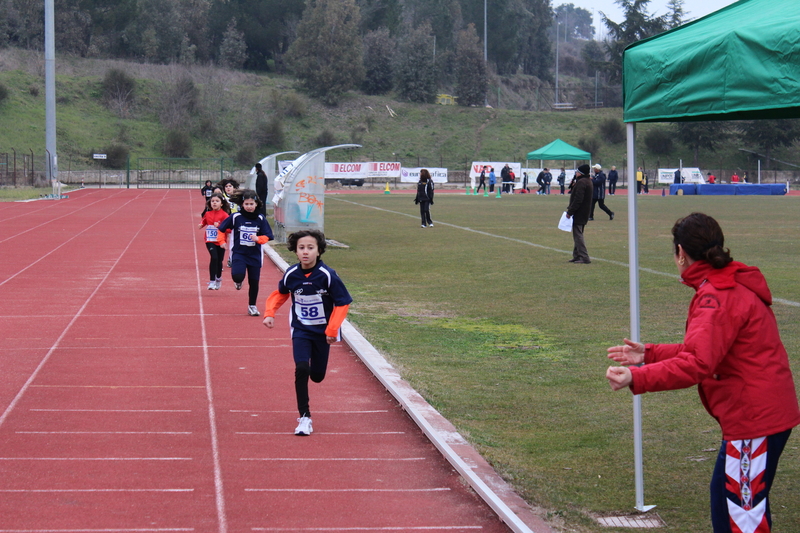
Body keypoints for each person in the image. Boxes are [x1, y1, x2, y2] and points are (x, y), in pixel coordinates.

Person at [605, 213, 800, 533]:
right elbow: (708, 350)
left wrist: (637, 376)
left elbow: (698, 364)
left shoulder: (716, 296)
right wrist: (649, 354)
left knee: (741, 517)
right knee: (735, 506)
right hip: (762, 415)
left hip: (755, 419)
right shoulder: (729, 283)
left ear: (681, 253)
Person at [263, 229, 353, 436]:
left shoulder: (328, 276)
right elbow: (280, 294)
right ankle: (304, 417)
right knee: (302, 367)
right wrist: (270, 313)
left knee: (318, 376)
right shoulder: (291, 274)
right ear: (295, 251)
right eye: (301, 248)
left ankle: (315, 373)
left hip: (323, 333)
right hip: (301, 329)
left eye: (310, 248)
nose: (305, 252)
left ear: (319, 251)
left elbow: (342, 303)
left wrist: (332, 330)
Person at [217, 189, 274, 316]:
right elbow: (221, 229)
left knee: (254, 282)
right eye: (246, 204)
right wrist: (222, 242)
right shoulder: (236, 217)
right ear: (242, 204)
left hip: (254, 255)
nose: (249, 207)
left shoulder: (260, 218)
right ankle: (238, 280)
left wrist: (259, 239)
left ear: (256, 204)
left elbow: (269, 236)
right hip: (239, 253)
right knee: (237, 276)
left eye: (251, 204)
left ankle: (252, 306)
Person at [199, 192, 230, 290]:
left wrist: (220, 226)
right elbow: (204, 220)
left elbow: (229, 229)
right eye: (212, 201)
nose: (214, 203)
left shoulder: (225, 215)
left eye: (217, 201)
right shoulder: (208, 214)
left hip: (221, 241)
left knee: (219, 260)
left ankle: (218, 278)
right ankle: (212, 281)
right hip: (209, 240)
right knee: (214, 257)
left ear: (221, 203)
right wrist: (201, 224)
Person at [564, 164, 593, 264]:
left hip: (580, 212)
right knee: (578, 234)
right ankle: (577, 255)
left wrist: (570, 212)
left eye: (577, 172)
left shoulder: (581, 182)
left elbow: (578, 199)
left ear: (580, 173)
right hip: (585, 211)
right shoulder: (587, 181)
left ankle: (584, 257)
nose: (575, 173)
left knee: (578, 235)